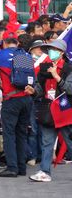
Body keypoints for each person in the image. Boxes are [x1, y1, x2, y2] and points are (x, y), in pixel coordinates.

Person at [0, 37, 35, 178]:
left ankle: (12, 167)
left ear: (3, 44)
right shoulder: (25, 55)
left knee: (9, 133)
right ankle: (21, 167)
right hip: (26, 98)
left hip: (11, 98)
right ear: (17, 44)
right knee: (22, 133)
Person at [30, 40, 72, 182]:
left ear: (61, 53)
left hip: (66, 111)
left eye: (54, 50)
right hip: (48, 110)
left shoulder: (69, 68)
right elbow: (39, 90)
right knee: (47, 142)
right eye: (49, 50)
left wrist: (56, 76)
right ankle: (44, 171)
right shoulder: (43, 69)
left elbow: (70, 89)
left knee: (70, 142)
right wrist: (32, 91)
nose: (51, 52)